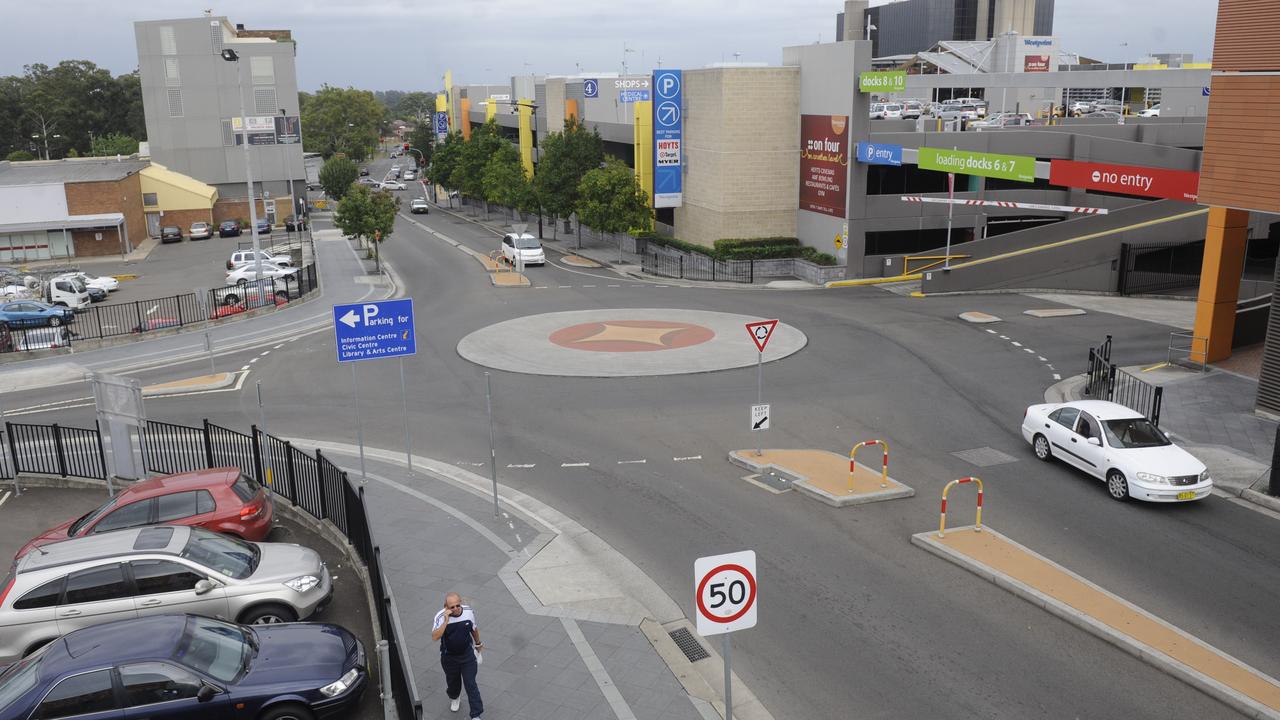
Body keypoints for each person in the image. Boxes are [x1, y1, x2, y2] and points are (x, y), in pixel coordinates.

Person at [432, 592, 484, 718]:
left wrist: (478, 645)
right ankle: (455, 697)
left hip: (467, 655)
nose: (455, 609)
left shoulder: (468, 612)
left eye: (457, 605)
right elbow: (435, 637)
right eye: (452, 607)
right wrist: (445, 621)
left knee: (471, 684)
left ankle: (476, 714)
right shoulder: (440, 616)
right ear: (446, 607)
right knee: (453, 683)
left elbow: (474, 629)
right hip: (449, 657)